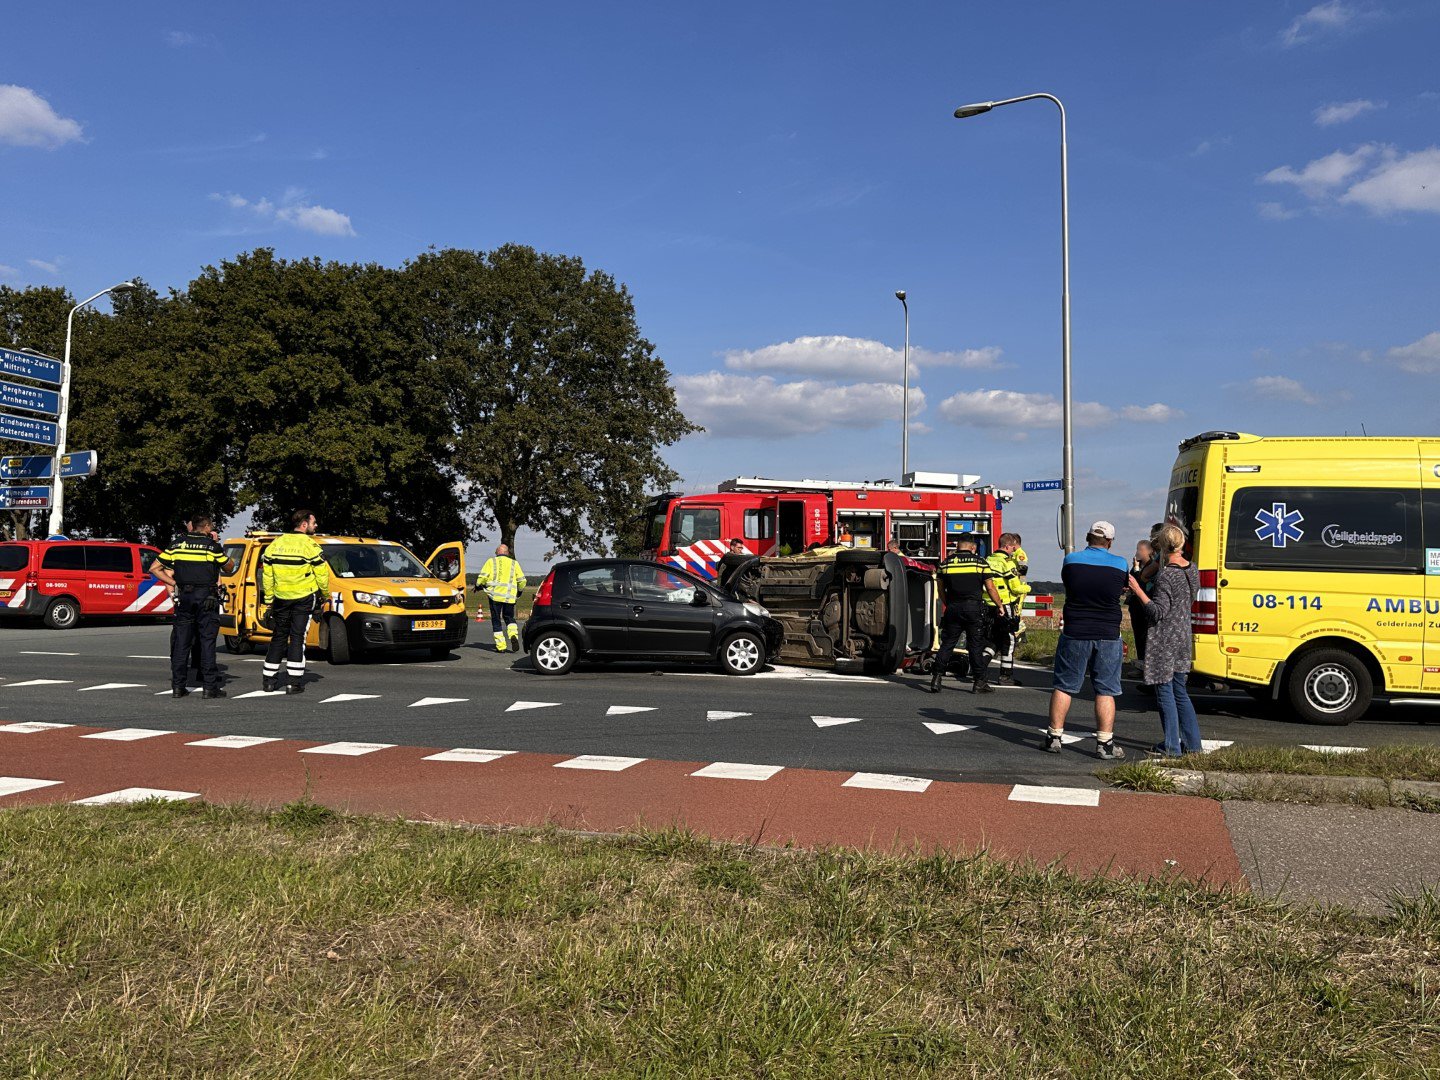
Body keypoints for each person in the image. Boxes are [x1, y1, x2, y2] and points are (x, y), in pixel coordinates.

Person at [1044, 520, 1129, 759]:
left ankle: (1054, 737)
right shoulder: (1120, 564)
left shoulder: (1071, 560)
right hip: (1108, 633)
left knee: (1064, 686)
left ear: (1087, 537)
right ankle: (1105, 743)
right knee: (1106, 690)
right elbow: (1122, 588)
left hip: (1076, 630)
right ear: (1110, 542)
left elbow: (1070, 585)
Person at [1127, 523, 1203, 757]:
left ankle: (1171, 746)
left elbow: (1157, 611)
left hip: (1164, 638)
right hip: (1182, 635)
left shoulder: (1167, 576)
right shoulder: (1192, 569)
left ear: (1160, 547)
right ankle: (1193, 744)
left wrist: (1138, 590)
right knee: (1180, 690)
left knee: (1165, 691)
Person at [151, 513, 229, 699]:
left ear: (192, 526)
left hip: (184, 596)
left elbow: (154, 568)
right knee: (207, 641)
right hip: (206, 598)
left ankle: (178, 687)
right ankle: (209, 687)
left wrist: (174, 582)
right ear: (208, 527)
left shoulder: (177, 544)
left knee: (181, 642)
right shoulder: (211, 546)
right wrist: (219, 549)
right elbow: (229, 567)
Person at [260, 508, 330, 694]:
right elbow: (322, 574)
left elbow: (267, 576)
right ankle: (294, 683)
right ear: (304, 524)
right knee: (298, 638)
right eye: (314, 523)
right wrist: (324, 594)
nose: (316, 526)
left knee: (278, 637)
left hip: (281, 598)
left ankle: (268, 681)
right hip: (303, 598)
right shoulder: (310, 545)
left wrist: (269, 600)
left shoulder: (275, 544)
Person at [928, 536, 1006, 694]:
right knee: (975, 646)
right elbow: (990, 588)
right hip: (973, 609)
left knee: (947, 644)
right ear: (973, 547)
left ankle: (936, 678)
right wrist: (1000, 605)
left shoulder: (946, 563)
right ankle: (979, 682)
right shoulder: (980, 563)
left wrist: (948, 604)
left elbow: (940, 589)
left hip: (953, 608)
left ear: (958, 546)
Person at [984, 532, 1029, 682]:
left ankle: (980, 667)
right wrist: (1027, 588)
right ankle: (1006, 675)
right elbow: (1016, 587)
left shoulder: (987, 560)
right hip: (1004, 604)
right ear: (1007, 546)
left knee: (994, 638)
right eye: (1012, 548)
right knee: (1009, 640)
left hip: (988, 605)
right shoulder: (1007, 563)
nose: (1013, 551)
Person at [477, 543, 527, 652]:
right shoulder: (514, 563)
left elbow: (482, 578)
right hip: (510, 598)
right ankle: (513, 635)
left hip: (495, 597)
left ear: (497, 553)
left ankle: (501, 646)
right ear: (507, 553)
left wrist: (478, 585)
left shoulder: (491, 562)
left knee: (496, 621)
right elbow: (522, 581)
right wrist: (519, 592)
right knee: (509, 618)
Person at [1126, 538, 1159, 667]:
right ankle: (1140, 663)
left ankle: (1147, 665)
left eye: (1140, 550)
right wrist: (1135, 568)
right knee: (1138, 636)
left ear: (1149, 551)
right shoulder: (1137, 566)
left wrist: (1137, 570)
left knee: (1145, 636)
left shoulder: (1152, 567)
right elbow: (1130, 580)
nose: (1137, 552)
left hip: (1145, 606)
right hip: (1136, 606)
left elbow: (1140, 584)